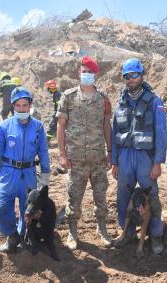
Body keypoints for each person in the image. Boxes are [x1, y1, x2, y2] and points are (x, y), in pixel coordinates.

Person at [111, 58, 167, 255]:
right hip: (125, 157)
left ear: (142, 76)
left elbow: (161, 133)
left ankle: (156, 234)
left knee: (151, 197)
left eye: (134, 75)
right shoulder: (121, 102)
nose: (131, 79)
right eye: (127, 76)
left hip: (145, 158)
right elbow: (114, 132)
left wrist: (158, 162)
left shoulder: (154, 101)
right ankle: (127, 233)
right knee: (123, 197)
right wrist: (115, 161)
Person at [56, 56, 112, 250]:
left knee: (101, 196)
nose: (86, 75)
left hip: (98, 157)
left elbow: (106, 126)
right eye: (84, 71)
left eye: (90, 72)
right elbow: (61, 126)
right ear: (79, 73)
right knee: (74, 198)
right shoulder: (68, 97)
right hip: (76, 159)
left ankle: (102, 229)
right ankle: (72, 233)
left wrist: (110, 151)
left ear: (96, 75)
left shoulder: (103, 99)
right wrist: (62, 154)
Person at [0, 86, 51, 253]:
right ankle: (12, 235)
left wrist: (45, 175)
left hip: (29, 174)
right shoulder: (5, 127)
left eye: (25, 105)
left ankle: (24, 235)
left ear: (30, 106)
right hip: (8, 173)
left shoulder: (38, 127)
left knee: (28, 211)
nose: (22, 109)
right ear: (13, 107)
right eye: (18, 105)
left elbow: (43, 151)